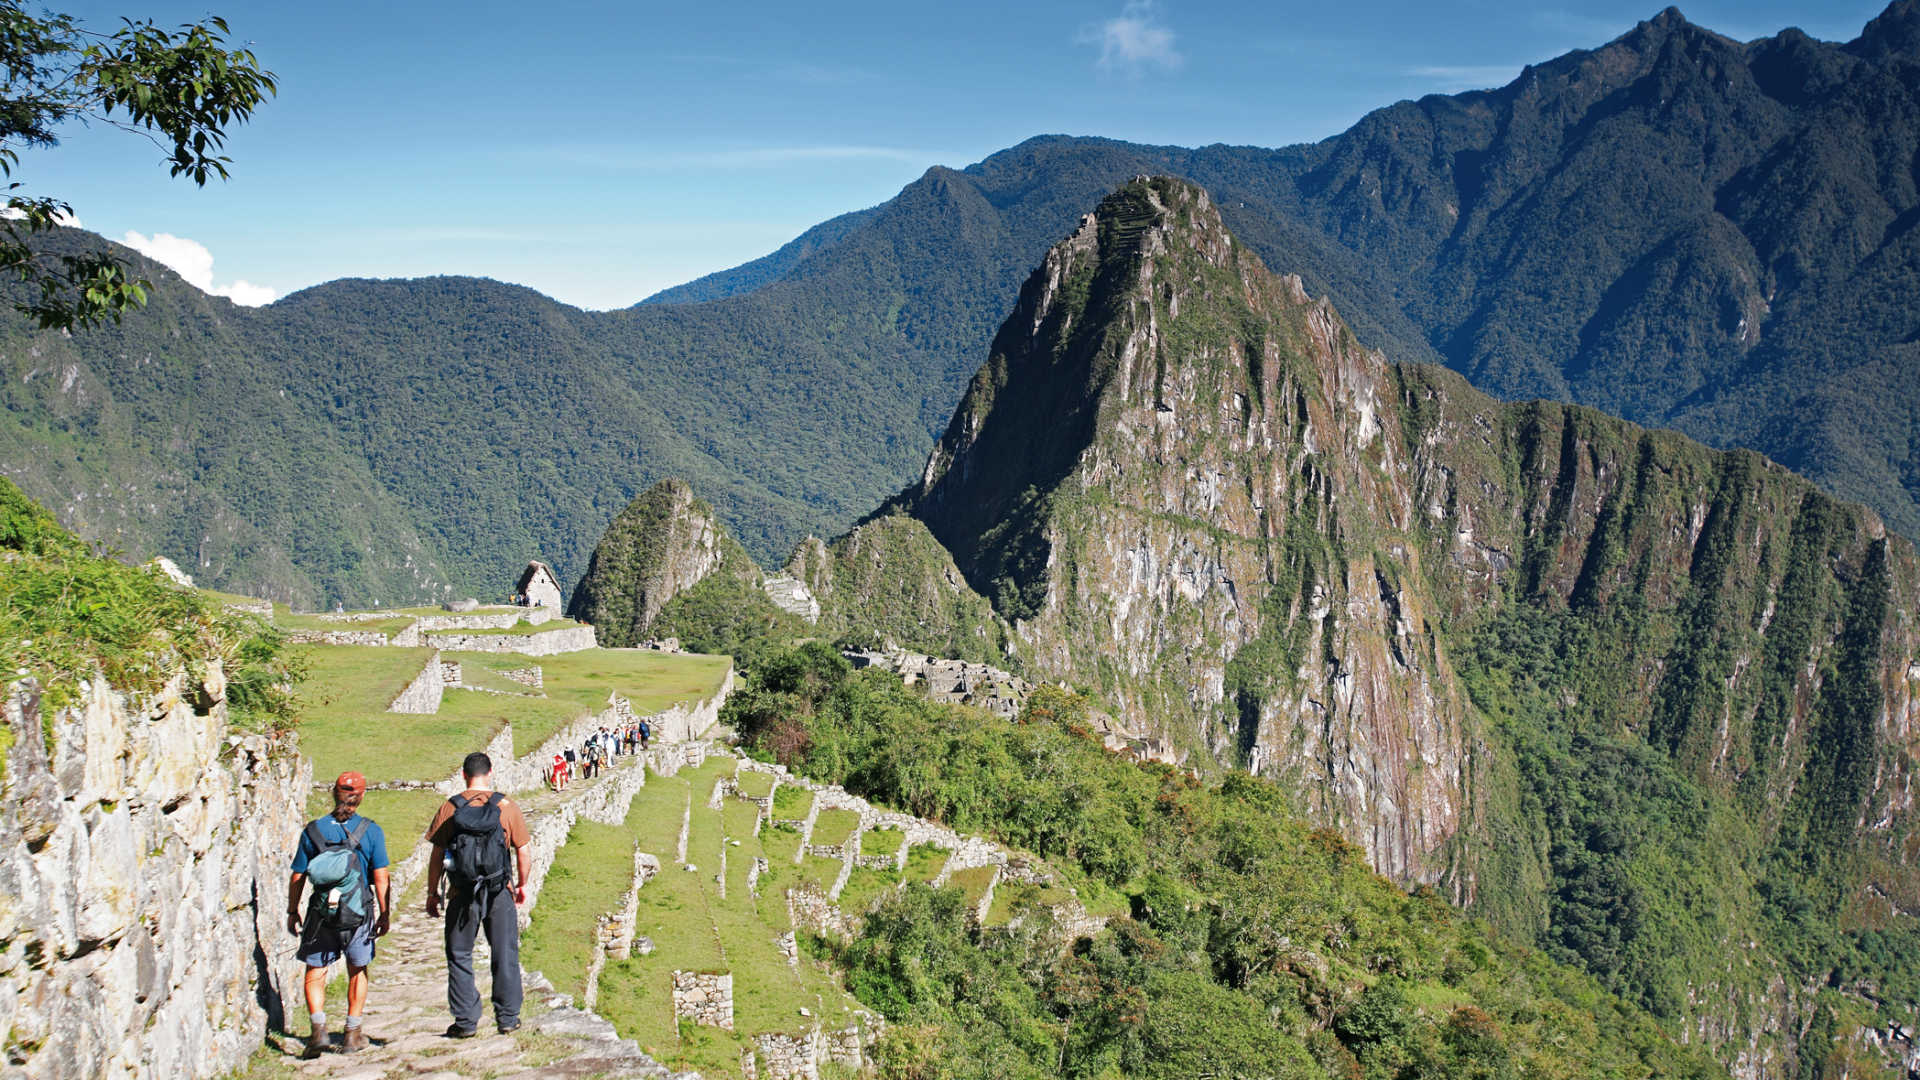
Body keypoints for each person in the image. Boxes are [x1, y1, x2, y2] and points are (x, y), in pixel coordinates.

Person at [425, 752, 533, 1038]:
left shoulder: (450, 808)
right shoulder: (507, 807)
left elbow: (437, 854)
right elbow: (522, 849)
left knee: (459, 953)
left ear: (464, 775)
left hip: (462, 892)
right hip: (498, 891)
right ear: (490, 772)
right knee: (504, 953)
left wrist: (433, 892)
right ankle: (508, 1017)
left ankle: (466, 1020)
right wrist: (522, 884)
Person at [287, 772, 391, 1058]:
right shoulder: (371, 831)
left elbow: (298, 874)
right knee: (357, 969)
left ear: (334, 793)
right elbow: (380, 877)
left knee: (316, 970)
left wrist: (292, 910)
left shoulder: (313, 831)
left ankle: (318, 1030)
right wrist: (384, 913)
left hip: (321, 914)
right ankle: (352, 1033)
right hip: (357, 915)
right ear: (362, 795)